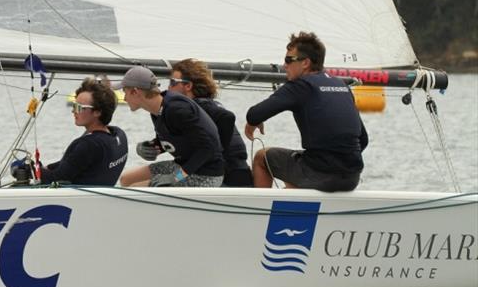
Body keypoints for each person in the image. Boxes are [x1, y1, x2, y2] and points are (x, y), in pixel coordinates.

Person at [244, 32, 368, 191]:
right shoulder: (341, 85)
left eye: (289, 60)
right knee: (295, 180)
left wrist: (254, 121)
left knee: (262, 158)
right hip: (351, 177)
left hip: (319, 174)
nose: (284, 65)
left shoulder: (300, 86)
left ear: (305, 63)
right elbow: (363, 139)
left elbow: (254, 114)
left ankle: (261, 211)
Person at [116, 66, 224, 188]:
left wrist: (176, 177)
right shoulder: (156, 111)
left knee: (134, 189)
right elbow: (174, 139)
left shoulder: (177, 110)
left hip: (205, 175)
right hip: (183, 166)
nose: (124, 98)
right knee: (126, 179)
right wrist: (149, 147)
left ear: (135, 92)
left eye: (125, 92)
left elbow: (208, 148)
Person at [24, 78, 128, 186]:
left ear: (97, 112)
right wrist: (46, 168)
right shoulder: (118, 135)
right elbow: (74, 163)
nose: (73, 111)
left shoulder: (88, 145)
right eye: (74, 105)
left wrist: (29, 170)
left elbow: (56, 178)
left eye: (79, 107)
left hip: (79, 201)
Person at [169, 59, 253, 187]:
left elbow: (228, 118)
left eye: (172, 82)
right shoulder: (204, 105)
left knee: (156, 182)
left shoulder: (200, 106)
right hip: (236, 175)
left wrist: (218, 152)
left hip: (230, 179)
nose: (168, 88)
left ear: (188, 86)